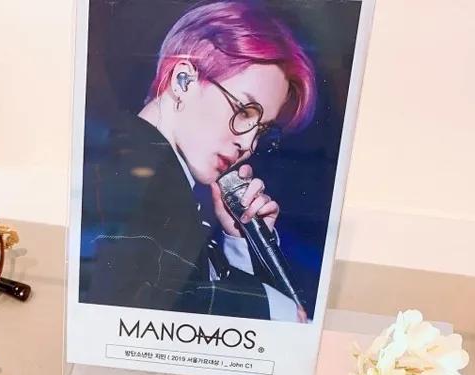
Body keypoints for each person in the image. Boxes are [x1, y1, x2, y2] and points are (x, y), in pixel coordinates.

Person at [79, 0, 316, 321]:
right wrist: (275, 310)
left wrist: (238, 241)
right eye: (244, 111)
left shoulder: (171, 187)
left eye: (262, 130)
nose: (248, 144)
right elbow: (132, 309)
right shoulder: (138, 179)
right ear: (183, 81)